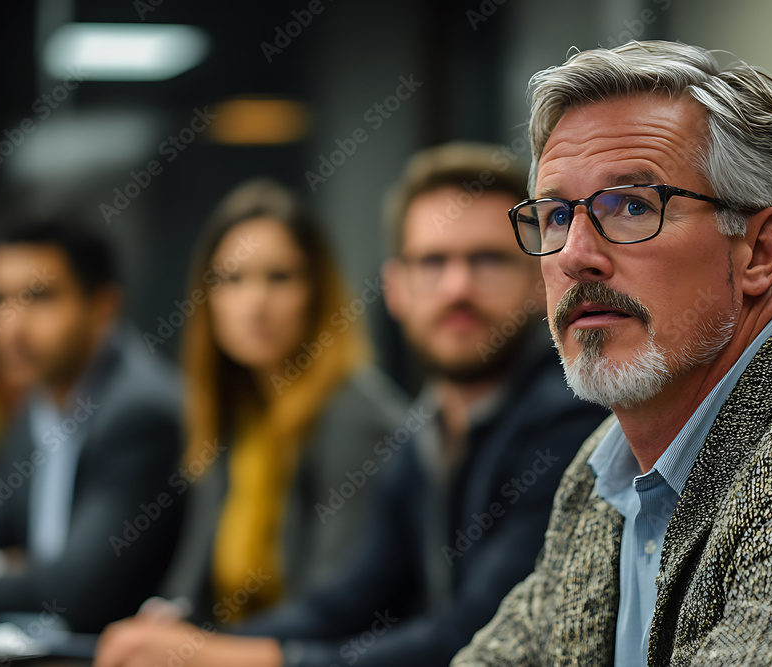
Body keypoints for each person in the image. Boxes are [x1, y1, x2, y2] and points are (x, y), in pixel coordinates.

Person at [451, 40, 772, 666]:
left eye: (632, 206)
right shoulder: (600, 472)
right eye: (558, 215)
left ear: (758, 252)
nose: (573, 255)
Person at [93, 144, 610, 667]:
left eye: (488, 260)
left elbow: (478, 635)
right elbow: (349, 601)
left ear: (537, 278)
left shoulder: (569, 419)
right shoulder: (426, 426)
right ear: (395, 289)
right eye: (433, 262)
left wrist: (245, 659)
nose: (458, 287)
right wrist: (199, 649)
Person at [111, 179, 408, 630]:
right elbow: (187, 591)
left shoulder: (355, 418)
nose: (255, 303)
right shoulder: (235, 413)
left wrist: (204, 654)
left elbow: (334, 616)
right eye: (232, 279)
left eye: (280, 277)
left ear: (317, 291)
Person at [0, 219, 185, 632]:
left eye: (38, 297)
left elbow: (76, 593)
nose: (11, 327)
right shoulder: (37, 404)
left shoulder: (141, 413)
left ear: (103, 306)